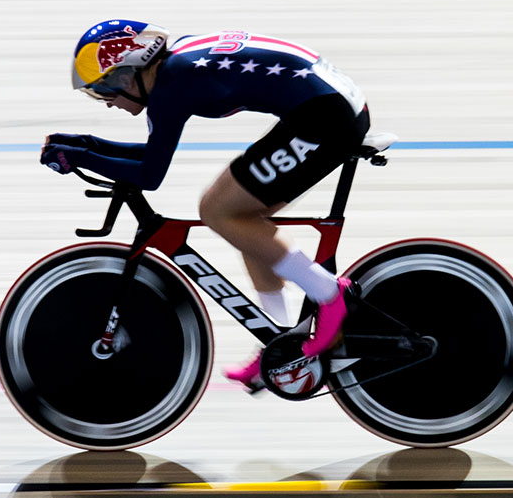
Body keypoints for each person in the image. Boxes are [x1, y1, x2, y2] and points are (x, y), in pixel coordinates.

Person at [40, 20, 371, 387]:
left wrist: (81, 156)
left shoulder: (172, 85)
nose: (108, 100)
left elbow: (151, 174)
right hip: (328, 107)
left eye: (108, 85)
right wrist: (86, 145)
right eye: (97, 92)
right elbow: (152, 156)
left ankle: (328, 293)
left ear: (134, 68)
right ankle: (284, 343)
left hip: (326, 116)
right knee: (242, 220)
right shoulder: (173, 67)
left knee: (219, 211)